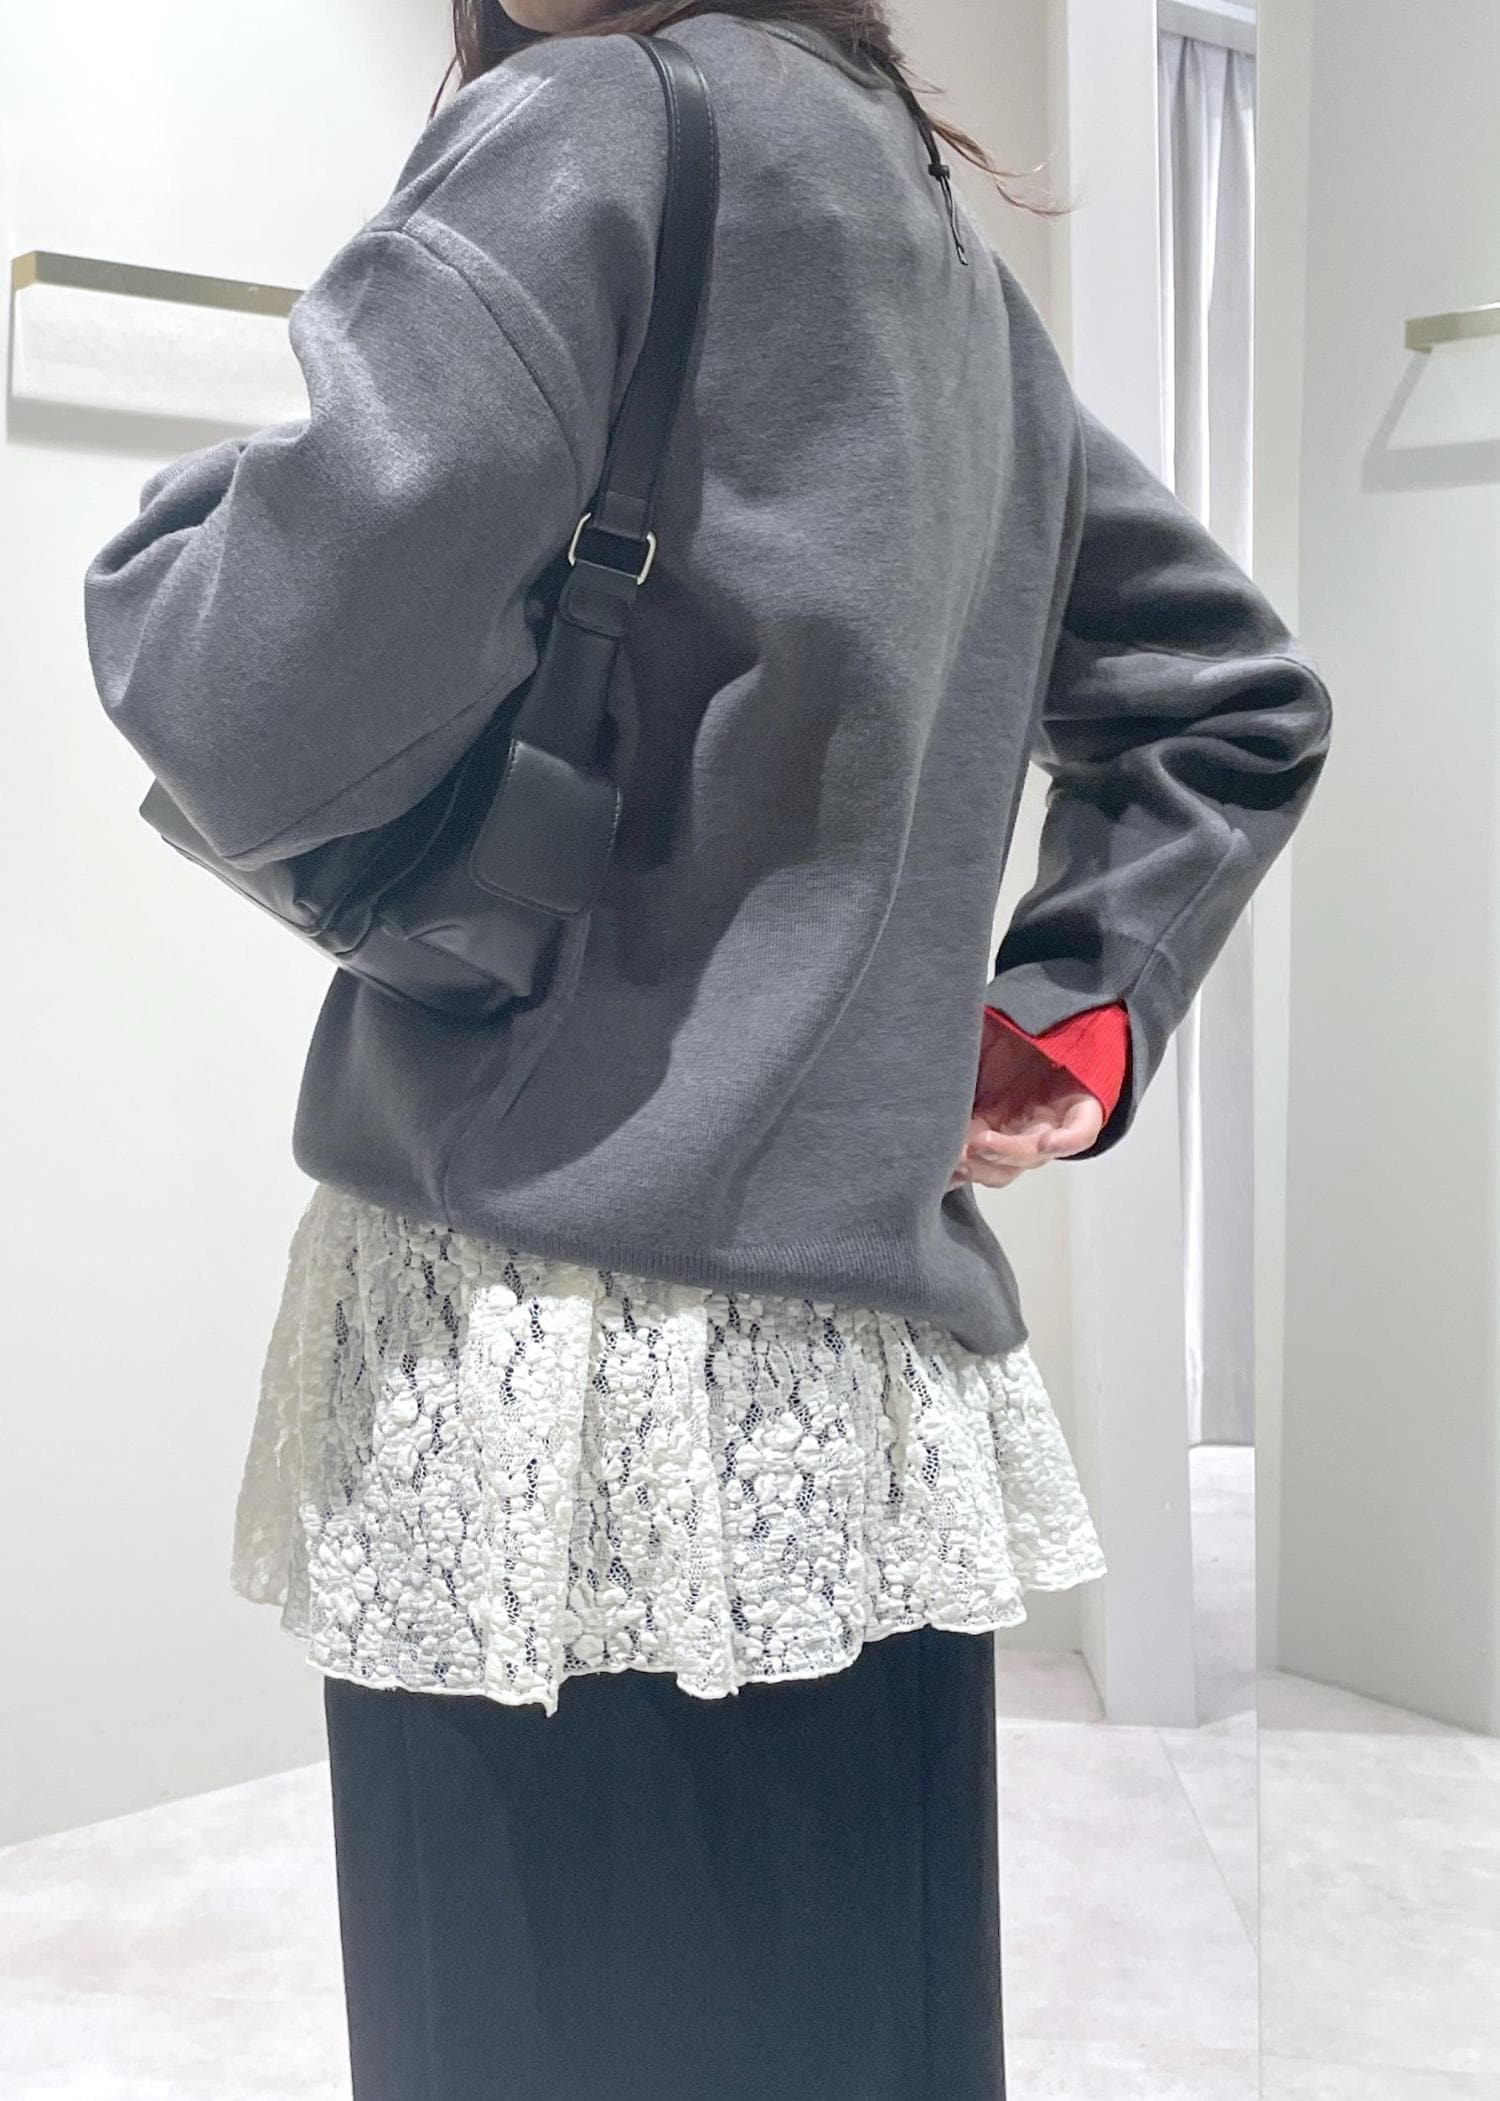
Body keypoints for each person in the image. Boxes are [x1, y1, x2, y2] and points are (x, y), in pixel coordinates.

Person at [81, 4, 1332, 2097]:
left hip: (540, 1354)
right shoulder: (940, 250)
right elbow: (1233, 696)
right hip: (865, 1409)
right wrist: (1065, 1013)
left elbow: (232, 689)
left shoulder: (583, 133)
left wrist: (218, 498)